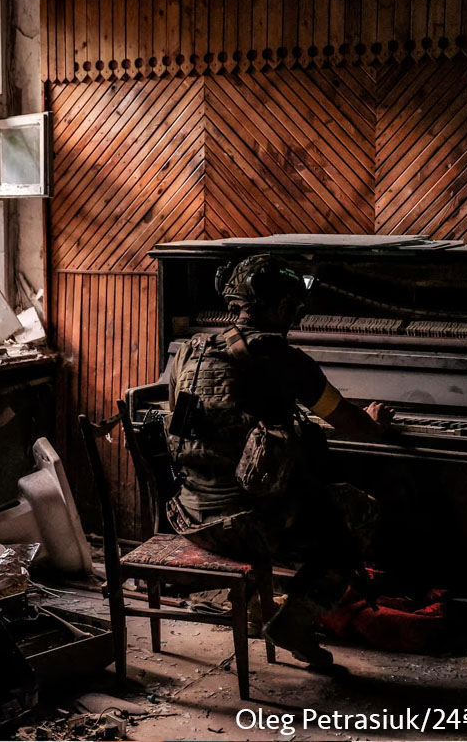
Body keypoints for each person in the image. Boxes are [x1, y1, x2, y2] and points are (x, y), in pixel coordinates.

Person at [164, 253, 393, 666]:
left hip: (188, 514)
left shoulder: (189, 350)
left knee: (310, 501)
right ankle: (294, 621)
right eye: (294, 307)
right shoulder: (281, 358)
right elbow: (349, 423)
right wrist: (373, 423)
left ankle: (264, 606)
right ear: (284, 305)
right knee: (360, 514)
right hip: (246, 526)